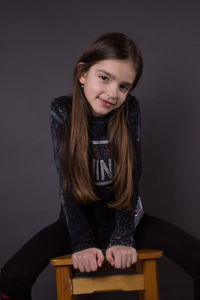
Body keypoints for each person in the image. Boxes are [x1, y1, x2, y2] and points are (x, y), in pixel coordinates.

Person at [0, 32, 199, 300]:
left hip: (127, 219)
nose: (112, 93)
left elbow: (130, 178)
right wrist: (82, 243)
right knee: (10, 279)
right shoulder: (63, 109)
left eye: (124, 86)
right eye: (104, 78)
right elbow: (67, 184)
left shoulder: (130, 110)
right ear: (83, 73)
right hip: (79, 222)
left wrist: (122, 238)